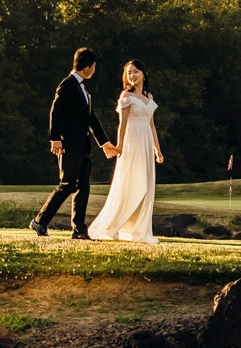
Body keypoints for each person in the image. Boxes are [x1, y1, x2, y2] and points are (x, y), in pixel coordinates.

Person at [31, 48, 119, 239]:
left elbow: (91, 119)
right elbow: (56, 111)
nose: (94, 70)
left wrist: (104, 143)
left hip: (83, 146)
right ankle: (39, 221)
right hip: (68, 145)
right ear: (88, 67)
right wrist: (54, 138)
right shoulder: (67, 85)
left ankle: (79, 230)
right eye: (94, 67)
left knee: (83, 187)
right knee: (67, 184)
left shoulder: (84, 90)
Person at [85, 58, 164, 244]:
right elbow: (122, 124)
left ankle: (139, 231)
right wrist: (119, 146)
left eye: (135, 71)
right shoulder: (126, 97)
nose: (132, 75)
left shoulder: (149, 97)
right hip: (132, 143)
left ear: (144, 74)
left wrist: (157, 150)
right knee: (130, 184)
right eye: (129, 72)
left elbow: (151, 126)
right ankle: (111, 226)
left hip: (146, 143)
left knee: (146, 185)